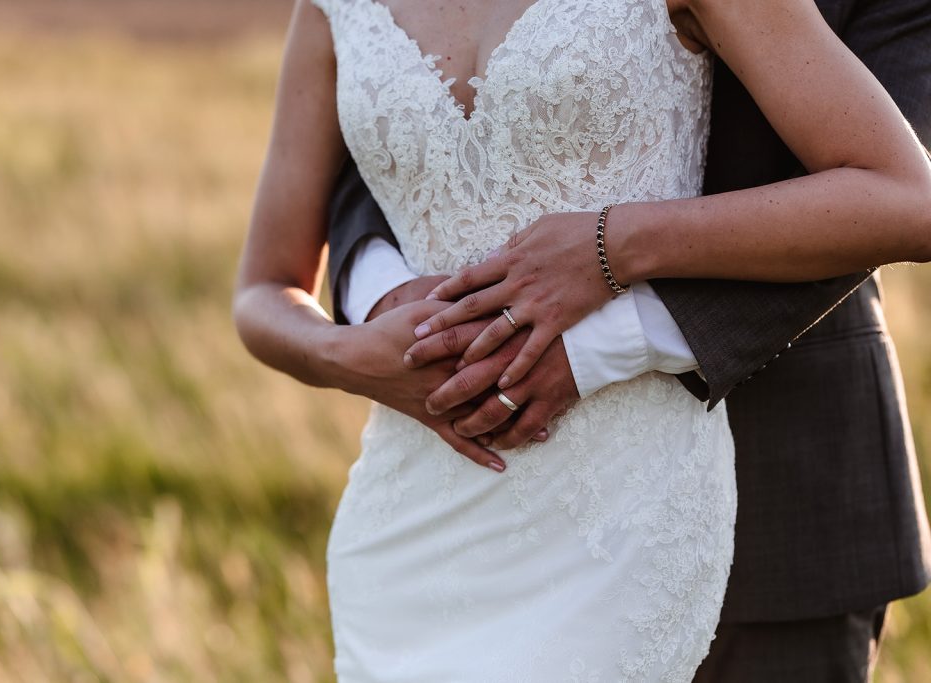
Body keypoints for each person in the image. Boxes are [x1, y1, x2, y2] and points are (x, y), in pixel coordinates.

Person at [233, 0, 931, 679]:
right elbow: (395, 132)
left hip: (745, 486)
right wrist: (366, 319)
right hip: (426, 520)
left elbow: (894, 187)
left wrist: (611, 247)